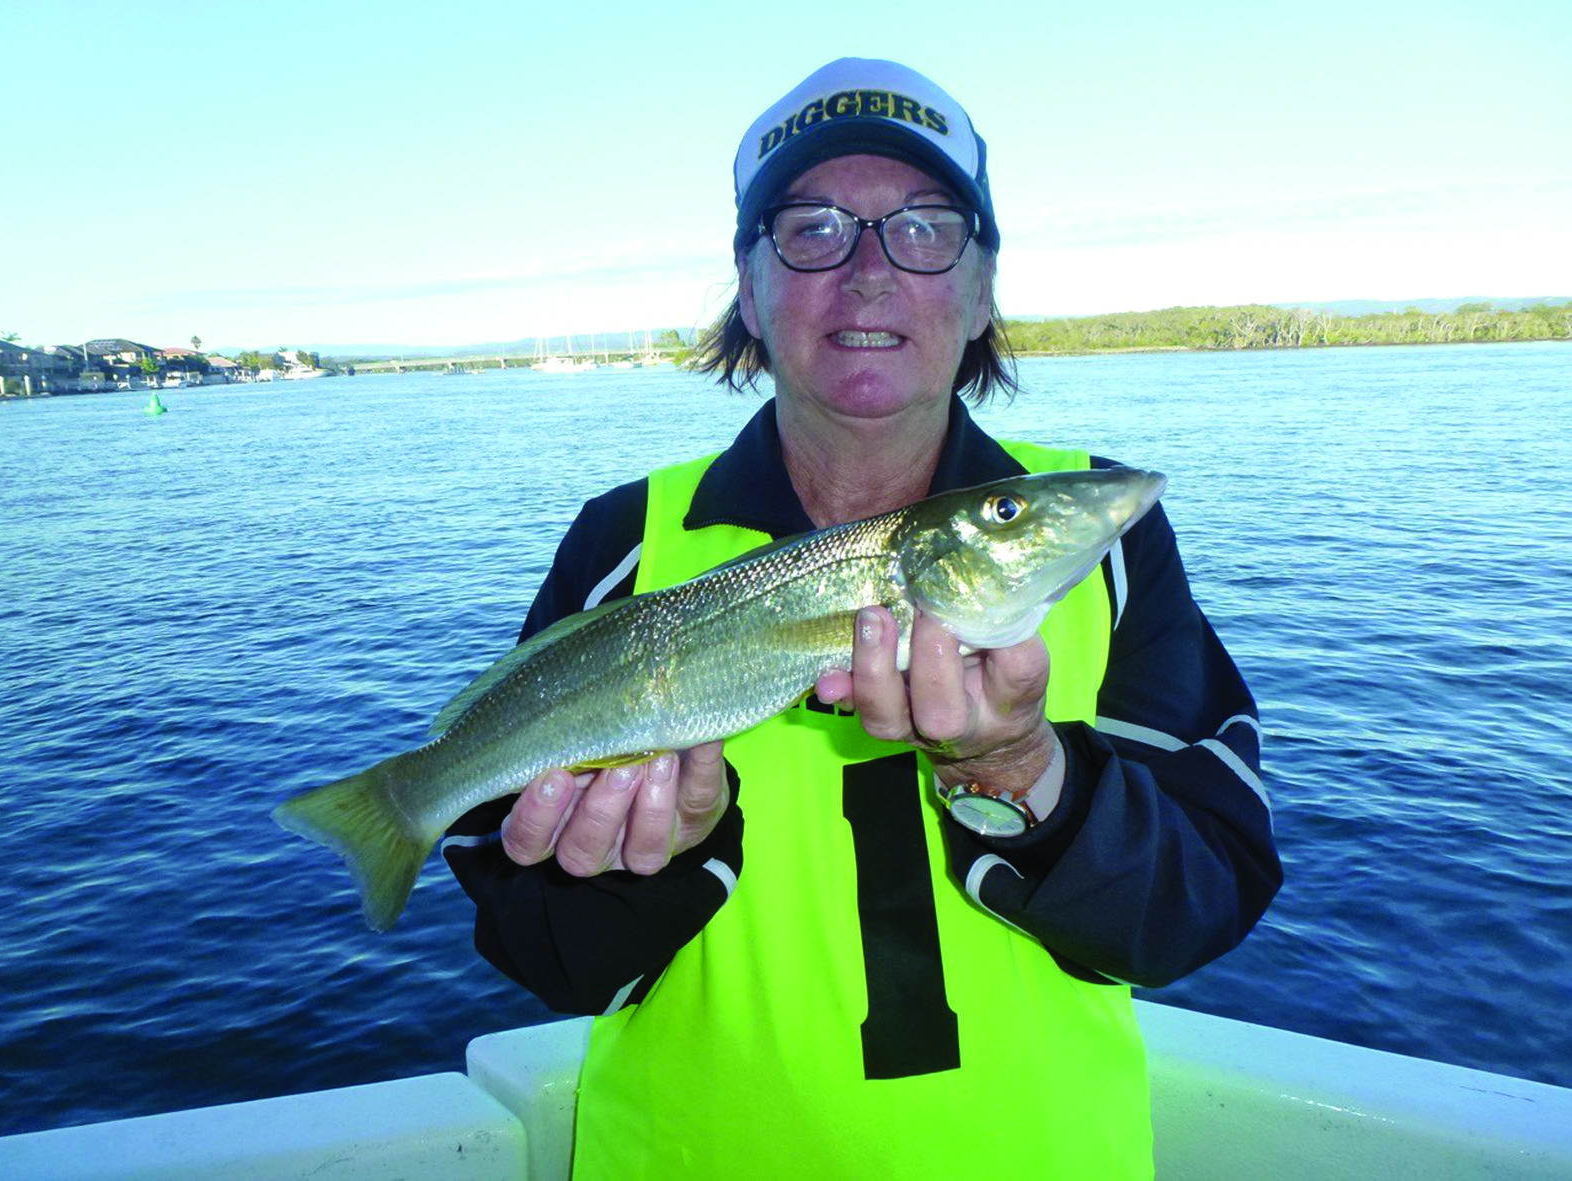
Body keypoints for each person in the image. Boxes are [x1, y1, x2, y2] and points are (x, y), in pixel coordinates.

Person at [444, 57, 1281, 1180]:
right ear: (749, 287)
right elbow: (537, 944)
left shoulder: (1099, 533)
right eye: (814, 228)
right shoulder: (624, 544)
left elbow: (1203, 897)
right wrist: (654, 859)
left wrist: (1024, 773)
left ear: (984, 290)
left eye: (927, 228)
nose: (870, 272)